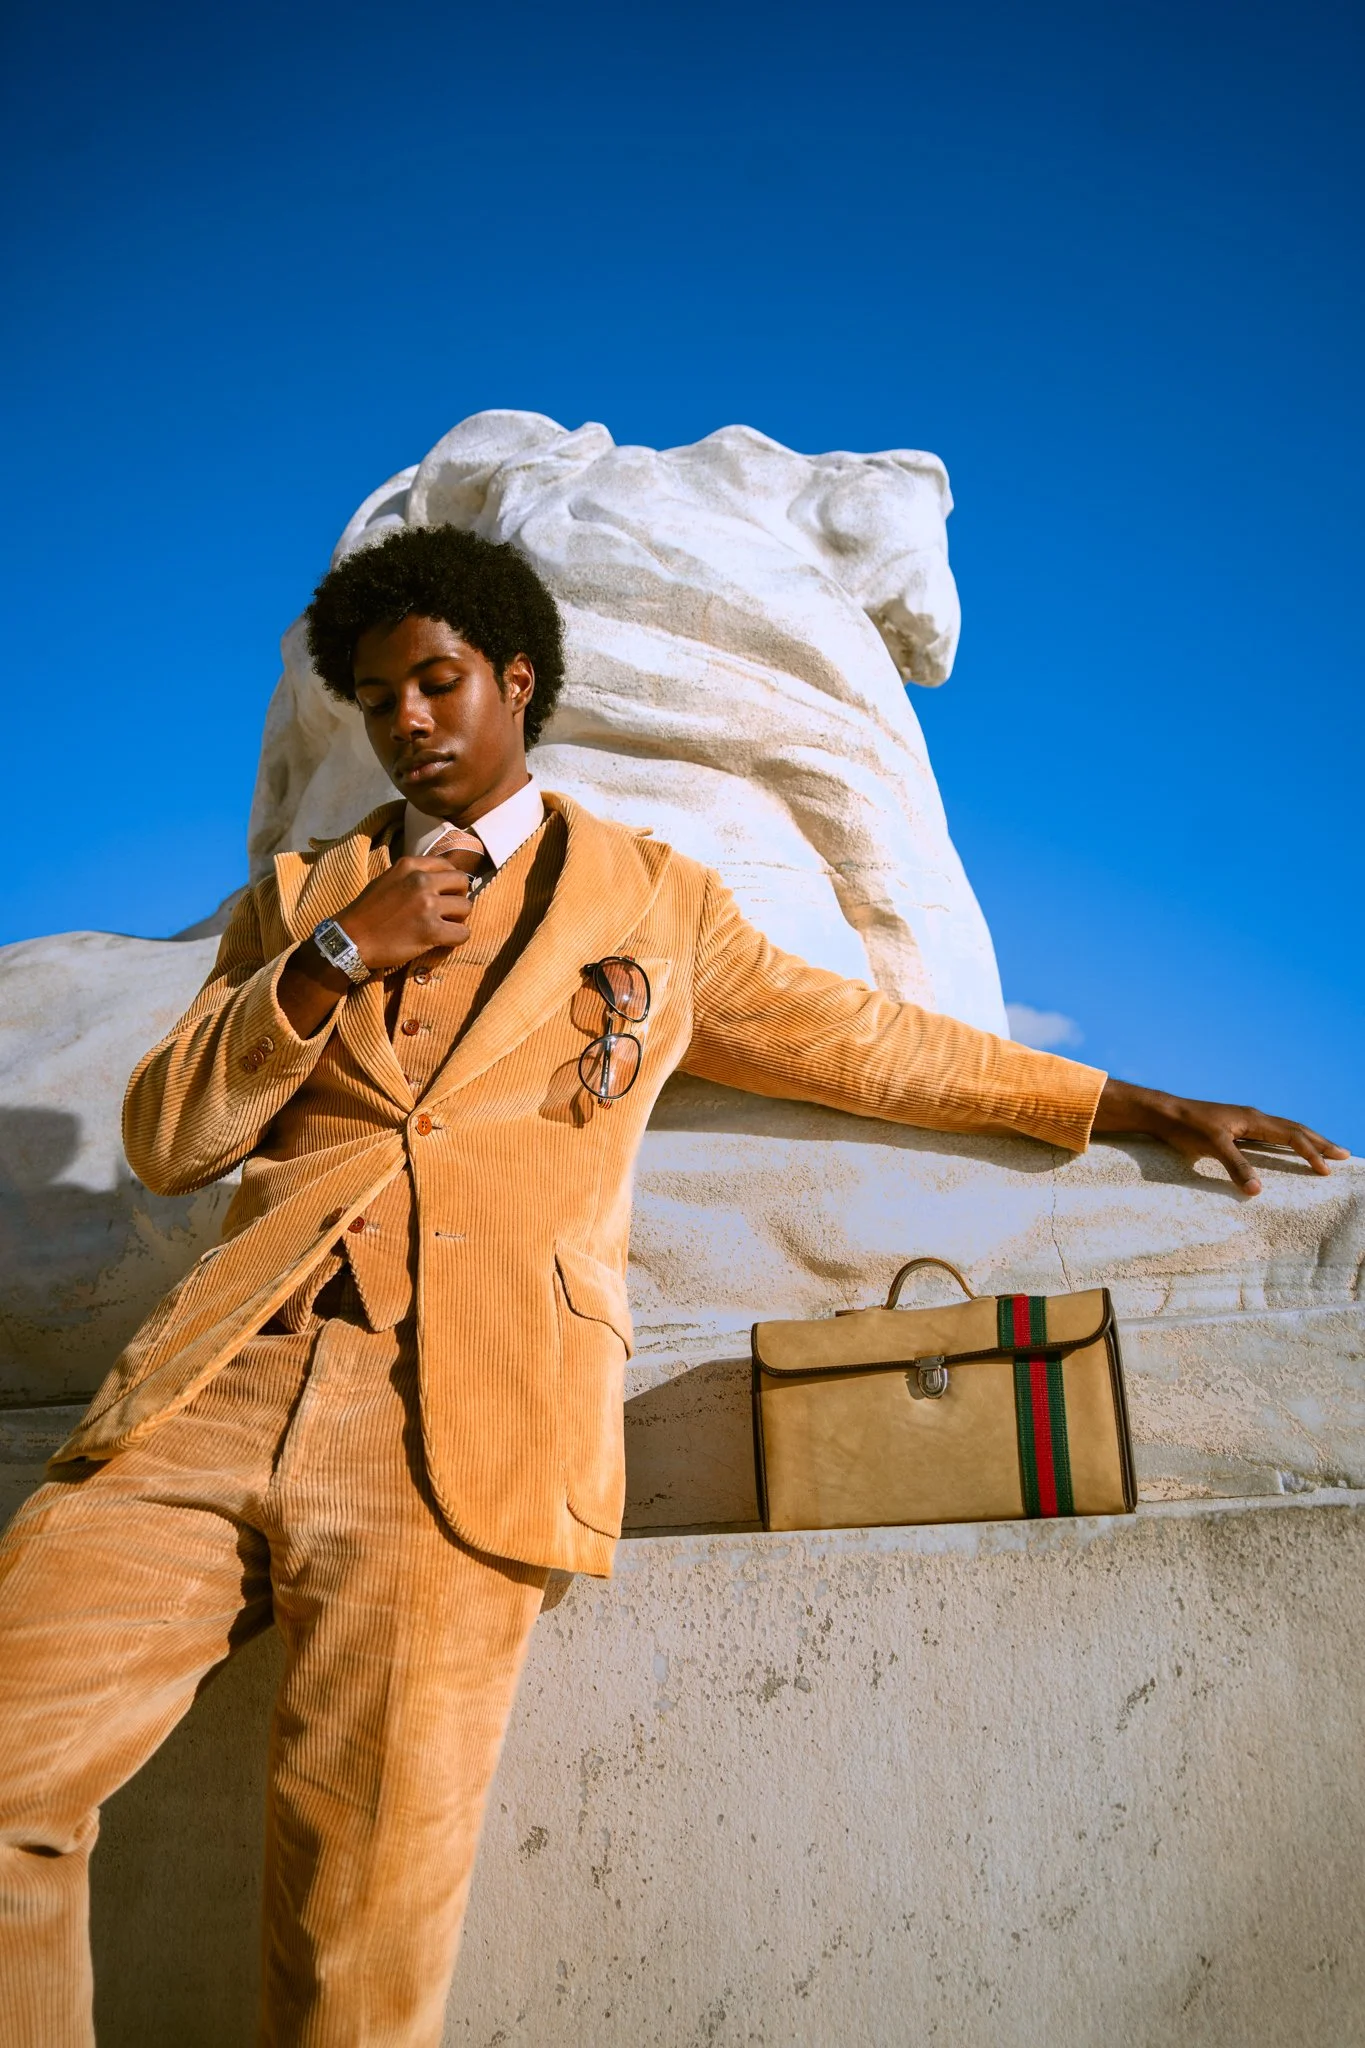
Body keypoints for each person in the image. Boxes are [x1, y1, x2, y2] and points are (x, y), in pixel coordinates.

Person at [0, 526, 1345, 2047]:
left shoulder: (654, 901)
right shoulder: (303, 896)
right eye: (375, 701)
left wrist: (1128, 1103)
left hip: (460, 1426)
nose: (407, 722)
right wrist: (330, 957)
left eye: (436, 682)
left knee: (355, 1949)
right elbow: (170, 1135)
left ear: (517, 679)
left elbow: (870, 1044)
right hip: (217, 1387)